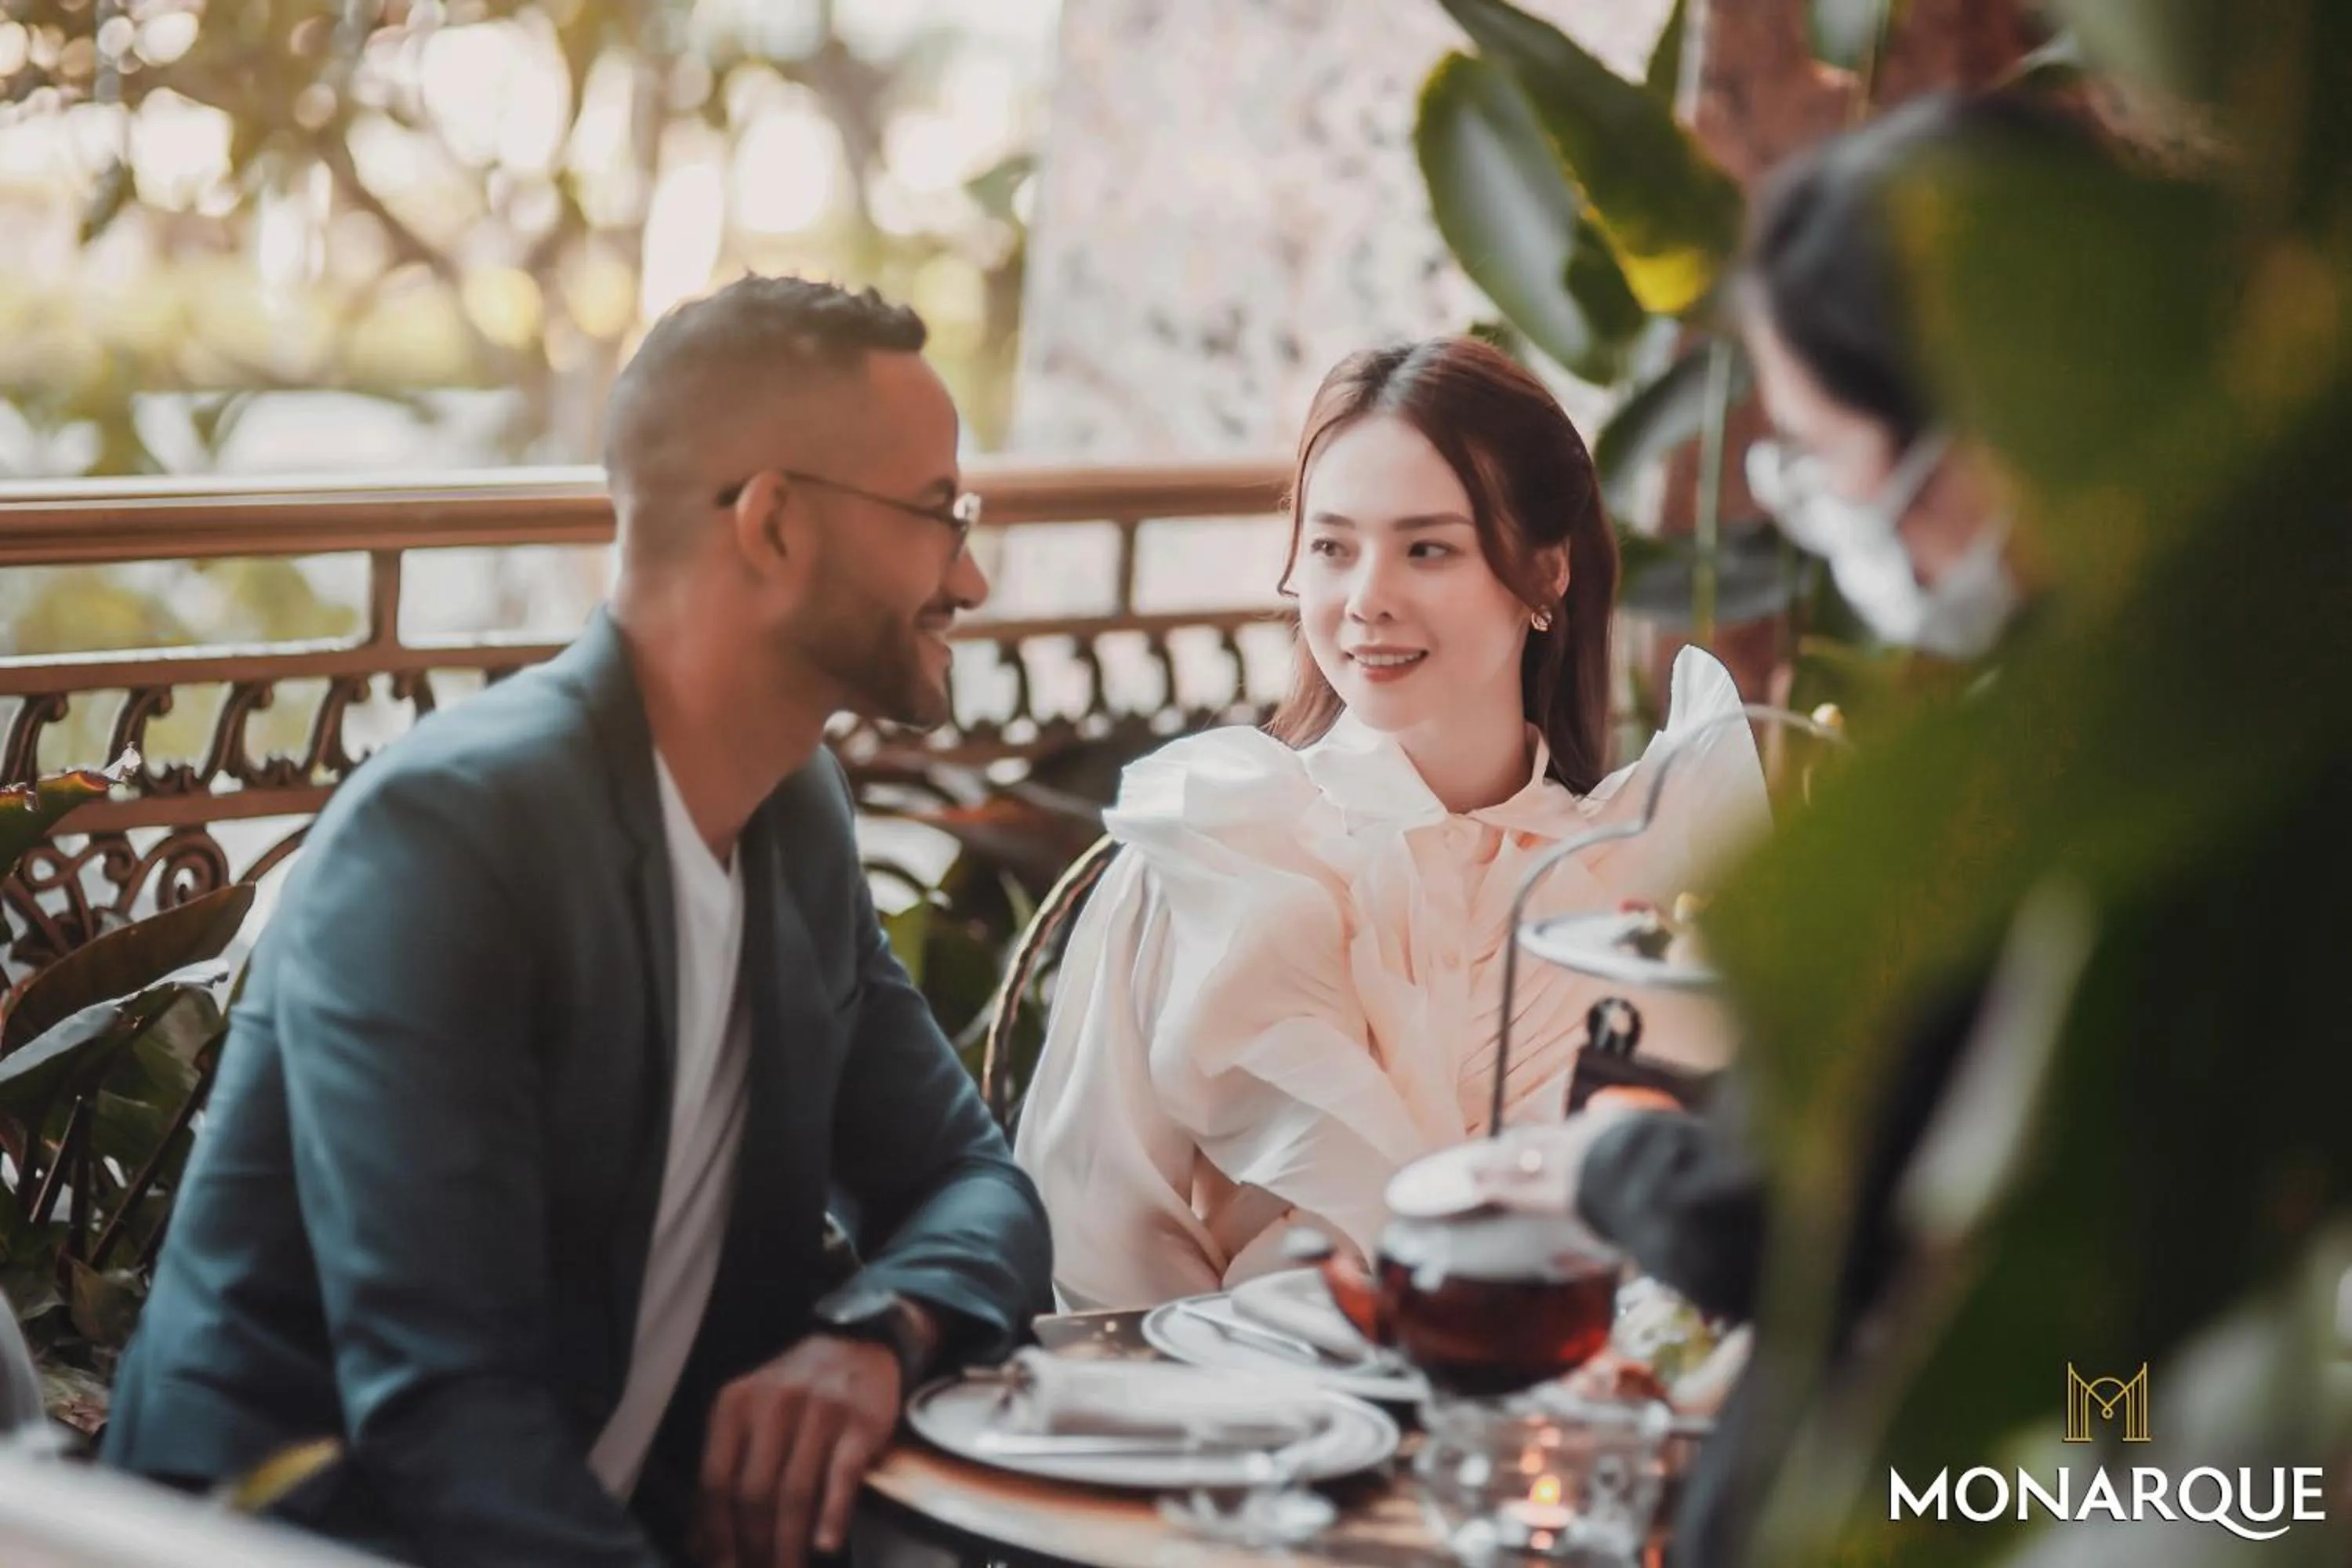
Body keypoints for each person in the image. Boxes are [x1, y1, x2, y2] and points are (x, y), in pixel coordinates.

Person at [101, 276, 1054, 1568]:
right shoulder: (447, 839)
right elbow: (443, 1418)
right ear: (772, 525)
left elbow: (968, 1187)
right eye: (940, 514)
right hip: (294, 1535)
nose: (975, 574)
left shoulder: (796, 816)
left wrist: (873, 1338)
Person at [1461, 93, 2096, 1565]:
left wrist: (1608, 1164)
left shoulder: (2050, 769)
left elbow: (1811, 1215)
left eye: (1822, 453)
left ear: (1983, 414)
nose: (1819, 513)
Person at [1014, 336, 1769, 1311]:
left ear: (1545, 574)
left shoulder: (1644, 873)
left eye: (1427, 548)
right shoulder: (1213, 850)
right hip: (1242, 1434)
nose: (1367, 598)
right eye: (1331, 546)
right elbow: (1089, 1237)